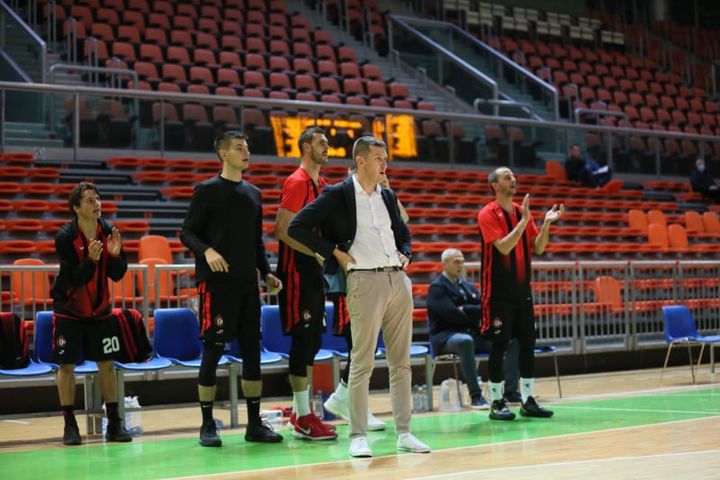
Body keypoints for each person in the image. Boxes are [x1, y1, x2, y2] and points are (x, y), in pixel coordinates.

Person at [288, 136, 430, 457]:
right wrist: (333, 252)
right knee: (361, 363)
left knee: (401, 364)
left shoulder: (388, 195)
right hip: (364, 281)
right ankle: (357, 435)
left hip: (398, 280)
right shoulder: (337, 194)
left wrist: (406, 252)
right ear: (361, 160)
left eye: (386, 158)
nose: (385, 163)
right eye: (379, 158)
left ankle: (405, 433)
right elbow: (297, 227)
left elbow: (403, 231)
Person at [181, 131, 284, 447]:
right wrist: (207, 251)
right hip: (216, 287)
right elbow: (187, 233)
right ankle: (207, 424)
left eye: (247, 147)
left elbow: (256, 241)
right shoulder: (206, 191)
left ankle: (254, 424)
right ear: (223, 154)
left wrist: (267, 272)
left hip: (248, 287)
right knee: (212, 352)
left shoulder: (254, 193)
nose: (246, 152)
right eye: (239, 148)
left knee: (253, 354)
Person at [477, 167, 563, 421]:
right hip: (497, 293)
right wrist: (524, 222)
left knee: (527, 344)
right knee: (499, 344)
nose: (513, 179)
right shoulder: (488, 213)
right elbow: (503, 247)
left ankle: (527, 399)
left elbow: (539, 248)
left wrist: (546, 224)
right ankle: (496, 401)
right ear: (495, 185)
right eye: (507, 177)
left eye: (514, 176)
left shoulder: (522, 212)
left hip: (522, 292)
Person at [51, 182, 132, 446]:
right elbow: (73, 279)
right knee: (66, 366)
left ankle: (115, 423)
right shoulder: (65, 236)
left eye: (97, 199)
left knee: (107, 364)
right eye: (89, 200)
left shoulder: (108, 230)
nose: (96, 203)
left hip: (101, 311)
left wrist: (115, 257)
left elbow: (118, 274)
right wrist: (91, 261)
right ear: (76, 207)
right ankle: (70, 424)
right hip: (69, 310)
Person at [273, 127, 337, 441]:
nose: (327, 146)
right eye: (321, 142)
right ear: (305, 147)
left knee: (312, 342)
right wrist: (316, 253)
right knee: (302, 340)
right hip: (295, 270)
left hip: (313, 272)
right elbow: (282, 230)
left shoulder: (322, 185)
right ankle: (303, 418)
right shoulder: (297, 182)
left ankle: (300, 414)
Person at [427, 248, 520, 410]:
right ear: (444, 264)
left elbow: (487, 309)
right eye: (456, 262)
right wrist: (473, 313)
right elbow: (452, 315)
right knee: (465, 341)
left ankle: (511, 392)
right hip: (446, 337)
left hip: (474, 334)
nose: (460, 265)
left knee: (512, 340)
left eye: (462, 262)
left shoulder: (469, 286)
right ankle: (476, 396)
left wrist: (466, 309)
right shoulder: (437, 288)